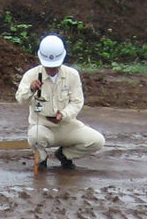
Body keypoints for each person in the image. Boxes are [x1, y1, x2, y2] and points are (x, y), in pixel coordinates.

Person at [15, 34, 104, 171]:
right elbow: (20, 99)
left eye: (55, 66)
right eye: (48, 66)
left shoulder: (72, 75)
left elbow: (77, 102)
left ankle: (64, 155)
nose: (51, 69)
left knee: (97, 141)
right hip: (43, 127)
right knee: (35, 136)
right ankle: (42, 160)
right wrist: (30, 89)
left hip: (67, 126)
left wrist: (63, 114)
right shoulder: (31, 75)